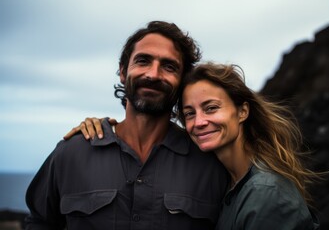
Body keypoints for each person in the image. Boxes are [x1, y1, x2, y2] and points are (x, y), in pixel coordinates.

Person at [25, 21, 229, 230]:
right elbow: (39, 222)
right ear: (123, 72)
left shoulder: (210, 164)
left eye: (169, 67)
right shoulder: (70, 154)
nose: (153, 74)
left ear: (182, 81)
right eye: (143, 61)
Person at [72, 62, 320, 229]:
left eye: (211, 108)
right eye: (189, 113)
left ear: (242, 111)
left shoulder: (268, 194)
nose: (199, 122)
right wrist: (107, 129)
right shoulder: (224, 178)